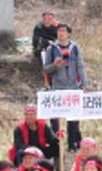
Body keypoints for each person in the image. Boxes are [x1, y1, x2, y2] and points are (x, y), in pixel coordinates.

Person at [42, 23, 86, 151]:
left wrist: (84, 83)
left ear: (68, 33)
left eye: (64, 31)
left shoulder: (75, 48)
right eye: (59, 30)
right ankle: (56, 143)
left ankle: (72, 144)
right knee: (55, 118)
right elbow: (45, 69)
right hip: (57, 87)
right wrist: (55, 65)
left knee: (73, 117)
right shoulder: (52, 49)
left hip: (73, 86)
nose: (61, 33)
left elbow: (80, 66)